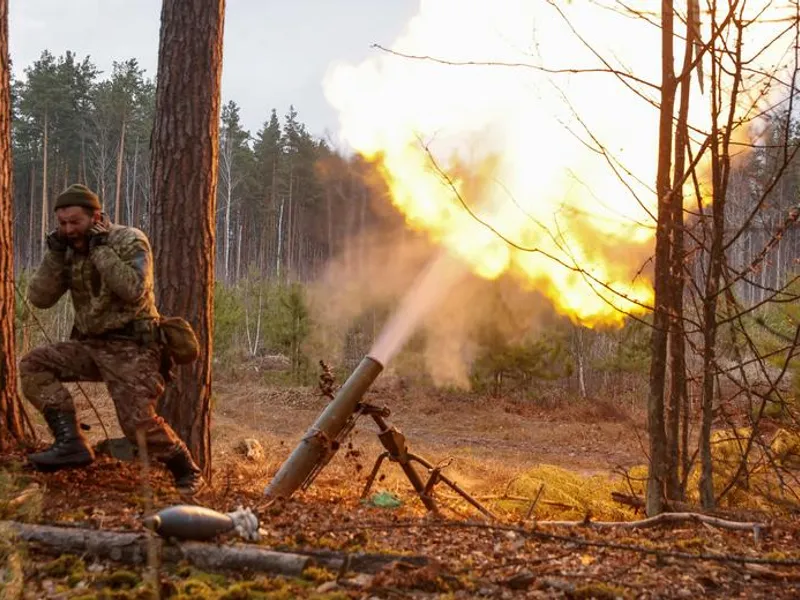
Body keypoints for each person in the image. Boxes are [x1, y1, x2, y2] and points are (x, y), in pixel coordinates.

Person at [19, 183, 205, 497]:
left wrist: (100, 249)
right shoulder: (66, 250)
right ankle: (71, 444)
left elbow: (133, 289)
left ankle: (186, 468)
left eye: (75, 222)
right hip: (91, 346)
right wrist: (53, 254)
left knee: (137, 426)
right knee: (34, 365)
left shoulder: (128, 240)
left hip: (133, 347)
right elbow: (39, 298)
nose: (68, 230)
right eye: (62, 224)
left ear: (96, 216)